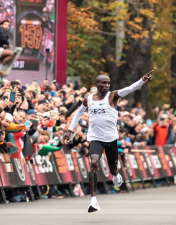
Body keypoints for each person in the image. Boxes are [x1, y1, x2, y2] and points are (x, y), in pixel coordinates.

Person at [62, 70, 154, 213]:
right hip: (95, 138)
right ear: (97, 84)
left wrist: (142, 80)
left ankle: (116, 175)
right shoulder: (89, 99)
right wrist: (70, 129)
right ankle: (93, 200)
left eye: (108, 83)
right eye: (104, 83)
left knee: (113, 169)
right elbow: (79, 112)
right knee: (93, 163)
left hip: (111, 139)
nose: (107, 85)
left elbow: (130, 89)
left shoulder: (113, 96)